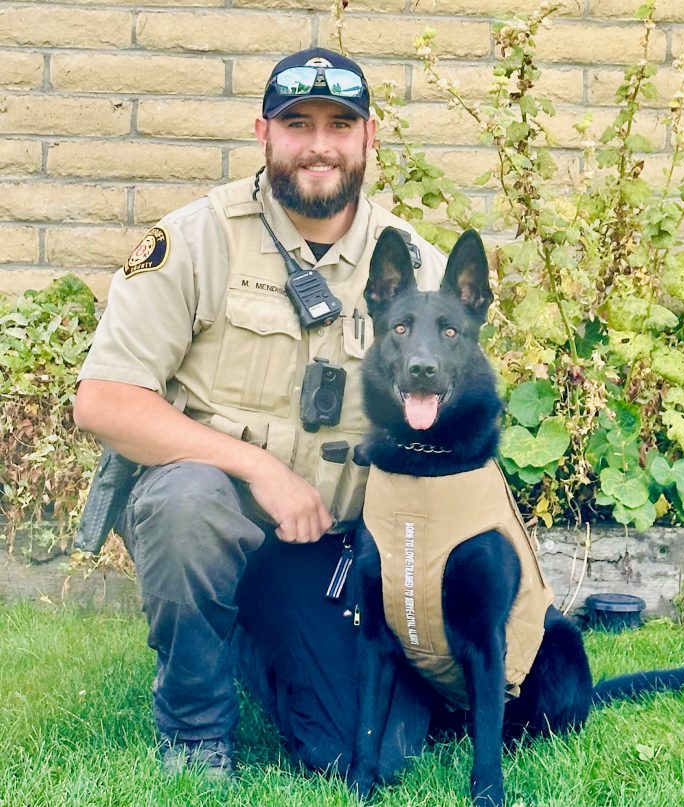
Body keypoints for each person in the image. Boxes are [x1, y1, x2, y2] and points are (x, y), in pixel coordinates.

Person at [73, 47, 446, 780]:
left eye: (340, 124)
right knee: (189, 499)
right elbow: (103, 401)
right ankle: (194, 728)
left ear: (370, 137)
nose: (318, 144)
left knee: (367, 751)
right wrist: (257, 467)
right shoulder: (196, 240)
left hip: (324, 552)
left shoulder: (416, 267)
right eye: (296, 123)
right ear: (263, 134)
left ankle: (251, 639)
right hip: (215, 521)